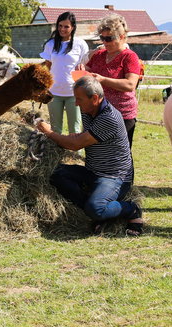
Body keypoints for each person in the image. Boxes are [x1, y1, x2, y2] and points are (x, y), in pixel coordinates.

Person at [36, 75, 143, 235]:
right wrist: (78, 136)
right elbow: (86, 137)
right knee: (54, 173)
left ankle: (131, 209)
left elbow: (75, 145)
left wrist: (49, 132)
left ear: (94, 98)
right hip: (92, 171)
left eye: (79, 99)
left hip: (113, 177)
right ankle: (98, 210)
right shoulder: (88, 111)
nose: (76, 103)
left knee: (96, 208)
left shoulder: (109, 118)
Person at [85, 13, 141, 148]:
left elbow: (130, 84)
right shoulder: (98, 55)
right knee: (98, 152)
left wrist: (103, 80)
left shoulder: (129, 57)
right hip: (98, 113)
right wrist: (82, 70)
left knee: (119, 156)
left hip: (121, 115)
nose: (104, 42)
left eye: (109, 38)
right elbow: (88, 71)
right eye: (102, 38)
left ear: (121, 37)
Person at [40, 12, 89, 134]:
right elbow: (47, 65)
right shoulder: (50, 44)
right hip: (54, 92)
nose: (62, 29)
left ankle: (74, 153)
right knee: (55, 129)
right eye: (60, 25)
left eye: (66, 26)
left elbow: (86, 65)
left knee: (75, 129)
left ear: (73, 27)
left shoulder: (80, 44)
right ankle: (57, 152)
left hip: (75, 93)